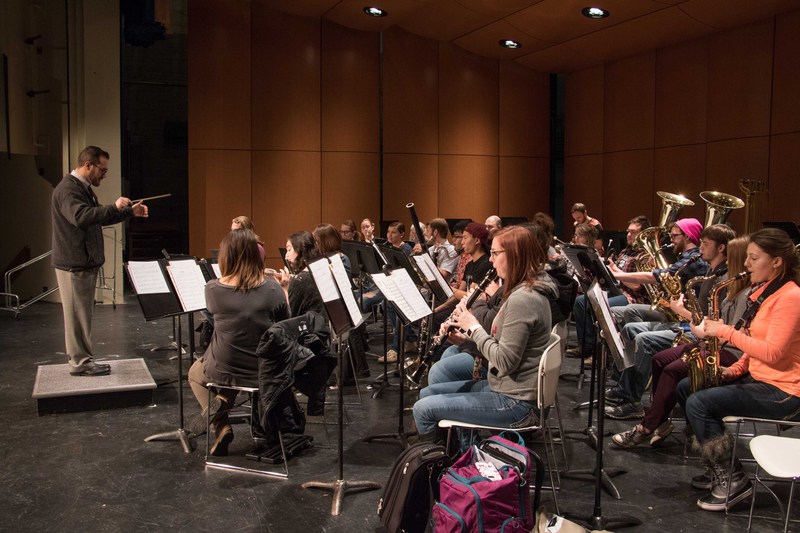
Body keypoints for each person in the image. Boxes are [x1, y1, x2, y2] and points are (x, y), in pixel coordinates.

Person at [677, 228, 800, 511]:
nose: (745, 264)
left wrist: (726, 331)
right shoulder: (767, 291)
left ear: (777, 262)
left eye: (754, 258)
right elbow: (754, 345)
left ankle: (733, 481)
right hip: (762, 379)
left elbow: (773, 351)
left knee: (699, 403)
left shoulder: (790, 297)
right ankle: (717, 465)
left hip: (787, 391)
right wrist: (734, 370)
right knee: (688, 388)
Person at [411, 226, 553, 443]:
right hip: (507, 389)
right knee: (425, 394)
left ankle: (454, 463)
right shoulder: (520, 292)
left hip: (516, 402)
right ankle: (466, 454)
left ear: (514, 256)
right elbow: (504, 344)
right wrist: (467, 339)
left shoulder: (524, 300)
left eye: (496, 254)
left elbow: (505, 362)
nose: (492, 260)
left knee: (423, 409)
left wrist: (474, 328)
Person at [611, 235, 750, 448]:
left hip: (731, 351)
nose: (745, 263)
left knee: (672, 369)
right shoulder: (730, 286)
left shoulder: (744, 292)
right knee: (659, 359)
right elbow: (714, 323)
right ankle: (659, 419)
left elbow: (732, 334)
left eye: (749, 259)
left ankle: (646, 427)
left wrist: (696, 325)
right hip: (712, 341)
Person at [605, 224, 732, 420]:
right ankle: (625, 388)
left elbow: (714, 322)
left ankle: (633, 401)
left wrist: (681, 311)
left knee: (644, 340)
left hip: (698, 331)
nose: (701, 248)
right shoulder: (711, 273)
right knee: (630, 328)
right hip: (690, 324)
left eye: (705, 244)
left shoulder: (719, 278)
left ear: (721, 248)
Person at [187, 229, 290, 455]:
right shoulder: (272, 288)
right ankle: (225, 399)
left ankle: (221, 424)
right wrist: (285, 290)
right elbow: (285, 324)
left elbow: (216, 321)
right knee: (242, 350)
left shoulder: (213, 289)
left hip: (224, 366)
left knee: (196, 373)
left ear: (227, 257)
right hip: (262, 370)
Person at [51, 146, 148, 377]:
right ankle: (80, 363)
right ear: (88, 165)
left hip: (82, 262)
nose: (104, 175)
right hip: (74, 264)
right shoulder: (68, 189)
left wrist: (128, 213)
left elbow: (96, 218)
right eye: (102, 171)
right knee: (77, 317)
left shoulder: (82, 188)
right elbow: (81, 217)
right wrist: (114, 207)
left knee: (82, 315)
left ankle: (84, 360)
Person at [566, 215, 652, 364]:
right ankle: (585, 347)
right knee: (581, 302)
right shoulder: (626, 251)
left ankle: (599, 355)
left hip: (632, 296)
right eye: (628, 231)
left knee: (597, 306)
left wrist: (615, 272)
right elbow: (615, 272)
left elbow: (636, 285)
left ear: (644, 234)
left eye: (633, 232)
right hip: (617, 289)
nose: (629, 235)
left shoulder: (645, 255)